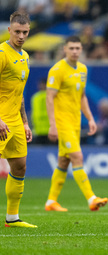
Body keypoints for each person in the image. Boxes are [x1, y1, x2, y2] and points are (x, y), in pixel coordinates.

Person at [45, 36, 108, 212]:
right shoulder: (57, 70)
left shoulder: (82, 69)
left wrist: (90, 118)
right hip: (62, 122)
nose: (74, 51)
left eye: (77, 48)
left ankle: (51, 201)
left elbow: (82, 96)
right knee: (77, 157)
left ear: (81, 50)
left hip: (75, 122)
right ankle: (91, 198)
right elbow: (49, 97)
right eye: (71, 48)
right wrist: (52, 125)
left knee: (64, 161)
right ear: (65, 49)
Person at [0, 11, 37, 228]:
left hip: (14, 120)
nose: (21, 36)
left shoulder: (25, 57)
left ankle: (12, 218)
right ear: (9, 30)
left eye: (24, 32)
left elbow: (19, 92)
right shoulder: (2, 53)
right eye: (17, 32)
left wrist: (24, 121)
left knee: (20, 166)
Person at [30, 78, 50, 144]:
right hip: (38, 130)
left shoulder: (52, 96)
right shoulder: (35, 97)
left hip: (50, 130)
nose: (41, 86)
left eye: (43, 84)